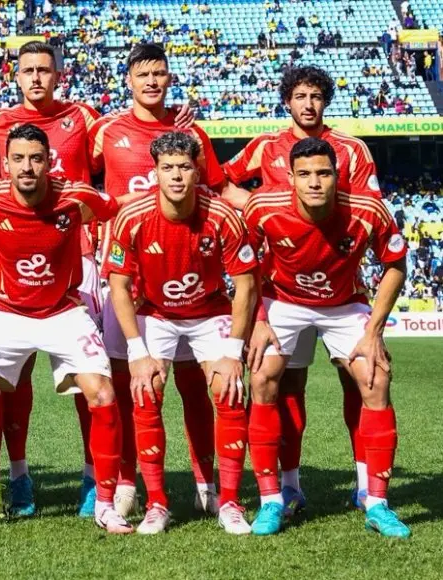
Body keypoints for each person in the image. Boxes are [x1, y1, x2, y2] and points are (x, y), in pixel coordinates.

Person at [0, 124, 129, 534]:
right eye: (18, 159)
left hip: (63, 310)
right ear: (6, 164)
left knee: (103, 393)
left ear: (48, 162)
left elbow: (117, 207)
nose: (27, 167)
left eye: (36, 158)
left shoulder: (75, 196)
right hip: (4, 310)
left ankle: (106, 504)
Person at [222, 65, 380, 517]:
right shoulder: (266, 146)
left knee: (361, 382)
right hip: (280, 288)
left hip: (341, 285)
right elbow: (223, 181)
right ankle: (288, 487)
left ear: (325, 101)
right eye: (300, 96)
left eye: (315, 96)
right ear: (287, 101)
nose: (308, 104)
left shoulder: (351, 149)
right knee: (285, 385)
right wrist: (257, 203)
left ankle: (367, 486)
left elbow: (370, 207)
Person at [243, 137, 409, 538]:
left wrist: (374, 331)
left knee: (375, 378)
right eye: (305, 174)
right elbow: (244, 266)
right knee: (263, 377)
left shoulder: (367, 210)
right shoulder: (262, 206)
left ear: (338, 176)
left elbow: (395, 264)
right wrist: (259, 320)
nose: (314, 182)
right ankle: (274, 498)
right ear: (290, 177)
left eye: (323, 173)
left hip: (344, 304)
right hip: (282, 300)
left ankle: (376, 502)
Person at [89, 43, 227, 518]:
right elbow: (69, 169)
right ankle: (128, 481)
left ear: (170, 78)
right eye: (143, 74)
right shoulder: (104, 129)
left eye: (159, 73)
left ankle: (205, 481)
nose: (151, 81)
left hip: (187, 275)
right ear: (128, 79)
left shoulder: (192, 132)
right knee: (130, 381)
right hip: (125, 277)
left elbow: (218, 189)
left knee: (194, 384)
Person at [107, 132, 258, 535]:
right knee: (146, 389)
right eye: (168, 167)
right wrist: (136, 351)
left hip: (209, 311)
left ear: (198, 171)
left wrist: (233, 351)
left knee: (228, 388)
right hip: (156, 312)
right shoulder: (133, 216)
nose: (176, 175)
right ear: (155, 172)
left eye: (185, 167)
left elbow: (246, 284)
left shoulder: (222, 214)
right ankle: (157, 503)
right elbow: (119, 286)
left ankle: (229, 501)